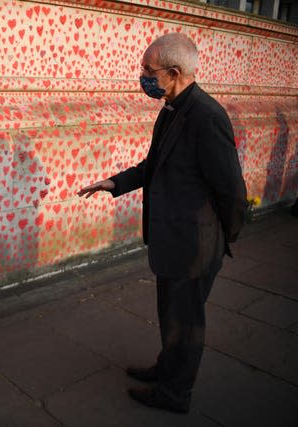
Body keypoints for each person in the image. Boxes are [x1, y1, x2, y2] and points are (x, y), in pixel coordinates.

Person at [78, 33, 248, 413]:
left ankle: (175, 394)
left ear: (173, 73)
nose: (143, 76)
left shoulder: (207, 117)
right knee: (171, 317)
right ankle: (165, 370)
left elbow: (232, 190)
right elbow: (153, 165)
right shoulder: (173, 108)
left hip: (194, 246)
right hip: (173, 240)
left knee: (186, 324)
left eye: (148, 71)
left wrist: (223, 238)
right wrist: (114, 183)